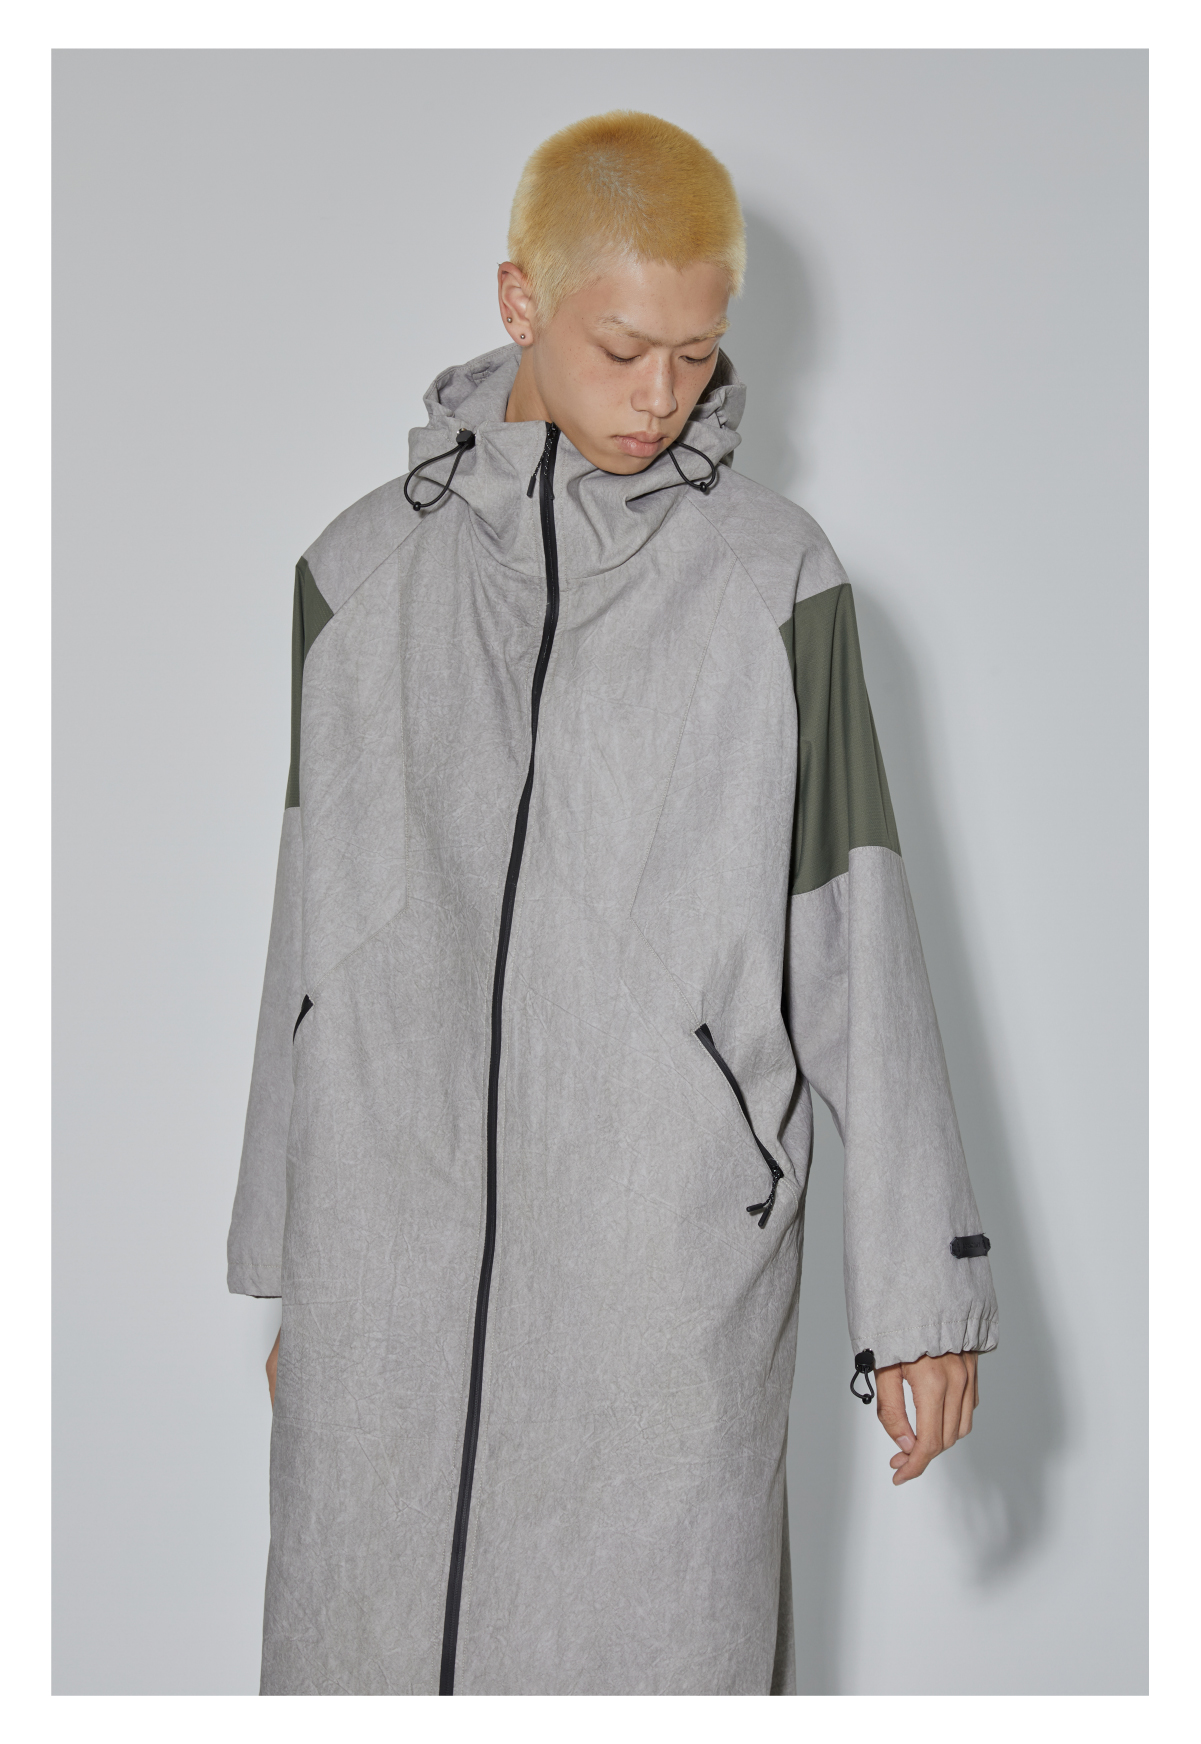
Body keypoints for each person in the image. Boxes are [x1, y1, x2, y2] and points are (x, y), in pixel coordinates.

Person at [227, 110, 998, 1697]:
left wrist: (923, 1293)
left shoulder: (770, 580)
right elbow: (311, 927)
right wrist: (303, 1265)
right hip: (390, 1272)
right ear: (520, 301)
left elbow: (855, 931)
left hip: (663, 1273)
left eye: (696, 357)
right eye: (624, 349)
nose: (661, 397)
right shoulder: (356, 578)